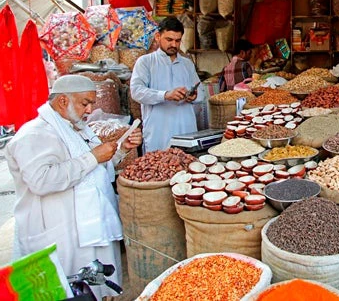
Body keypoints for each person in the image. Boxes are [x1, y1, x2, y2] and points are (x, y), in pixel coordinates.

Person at [5, 75, 142, 299]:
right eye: (85, 103)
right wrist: (93, 157)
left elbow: (95, 169)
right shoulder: (34, 134)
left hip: (88, 229)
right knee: (71, 292)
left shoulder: (76, 128)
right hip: (61, 233)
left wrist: (121, 150)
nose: (89, 110)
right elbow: (41, 181)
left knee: (96, 289)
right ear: (62, 102)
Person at [131, 17, 203, 153]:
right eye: (169, 40)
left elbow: (201, 92)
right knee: (158, 169)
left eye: (177, 41)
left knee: (188, 168)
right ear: (158, 37)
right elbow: (136, 91)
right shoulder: (146, 62)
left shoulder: (187, 64)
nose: (174, 45)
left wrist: (193, 96)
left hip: (186, 130)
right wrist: (165, 95)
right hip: (158, 132)